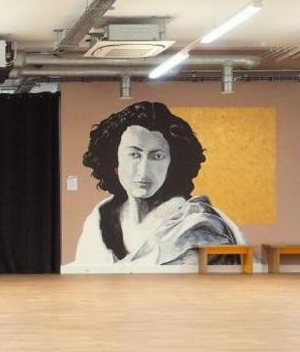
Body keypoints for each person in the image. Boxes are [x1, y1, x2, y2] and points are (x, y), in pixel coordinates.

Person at [72, 101, 244, 266]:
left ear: (172, 164)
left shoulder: (199, 227)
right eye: (134, 155)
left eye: (157, 156)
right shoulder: (99, 218)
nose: (143, 170)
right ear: (115, 163)